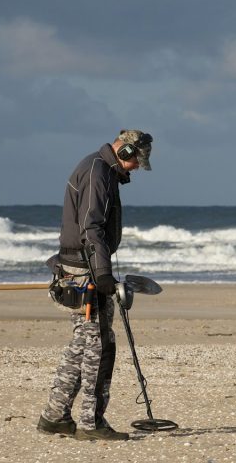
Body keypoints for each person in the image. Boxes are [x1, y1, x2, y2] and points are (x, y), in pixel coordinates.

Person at [37, 129, 153, 441]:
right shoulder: (97, 172)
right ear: (124, 151)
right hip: (84, 272)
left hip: (79, 267)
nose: (137, 168)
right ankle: (91, 423)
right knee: (100, 344)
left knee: (84, 342)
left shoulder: (99, 169)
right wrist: (102, 275)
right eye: (137, 161)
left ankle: (54, 416)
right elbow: (92, 227)